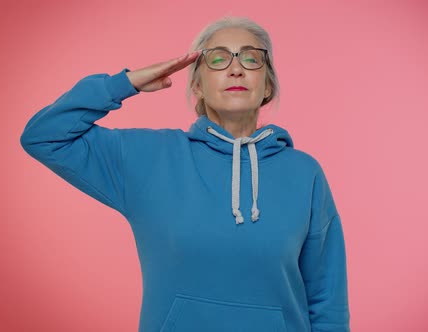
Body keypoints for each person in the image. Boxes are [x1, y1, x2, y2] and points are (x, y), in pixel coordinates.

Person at [20, 16, 350, 332]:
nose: (236, 69)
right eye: (218, 59)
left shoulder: (304, 172)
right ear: (198, 85)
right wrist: (124, 83)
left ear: (267, 86)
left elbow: (326, 299)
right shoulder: (148, 157)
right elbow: (45, 135)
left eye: (251, 59)